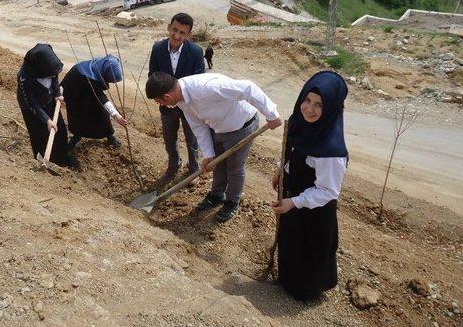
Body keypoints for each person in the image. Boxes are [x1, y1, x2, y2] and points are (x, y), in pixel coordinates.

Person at [145, 72, 282, 223]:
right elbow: (198, 125)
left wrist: (271, 114)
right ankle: (216, 196)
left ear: (167, 96)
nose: (161, 105)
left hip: (240, 126)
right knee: (218, 164)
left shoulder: (207, 88)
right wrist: (208, 153)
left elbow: (248, 88)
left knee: (235, 167)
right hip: (217, 127)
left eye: (159, 102)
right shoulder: (181, 99)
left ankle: (232, 202)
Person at [270, 70, 348, 301]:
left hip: (314, 212)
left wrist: (293, 202)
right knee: (290, 244)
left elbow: (328, 191)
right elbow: (290, 150)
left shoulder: (331, 151)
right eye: (307, 100)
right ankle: (287, 282)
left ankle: (305, 293)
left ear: (332, 108)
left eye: (319, 105)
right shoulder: (298, 123)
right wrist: (280, 170)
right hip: (292, 201)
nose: (310, 110)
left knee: (308, 254)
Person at [148, 13, 204, 189]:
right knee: (169, 138)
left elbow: (199, 81)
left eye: (182, 32)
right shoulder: (157, 49)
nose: (177, 36)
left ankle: (194, 169)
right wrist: (162, 97)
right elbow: (153, 75)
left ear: (189, 34)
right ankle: (174, 165)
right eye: (174, 30)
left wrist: (181, 99)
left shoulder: (195, 52)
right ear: (168, 27)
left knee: (191, 138)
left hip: (189, 107)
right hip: (167, 106)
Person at [17, 44, 79, 170]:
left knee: (60, 130)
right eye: (48, 74)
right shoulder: (24, 77)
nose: (52, 75)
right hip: (33, 109)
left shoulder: (49, 65)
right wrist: (47, 120)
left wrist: (57, 94)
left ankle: (63, 158)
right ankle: (46, 161)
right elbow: (31, 103)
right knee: (40, 135)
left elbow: (55, 77)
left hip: (49, 100)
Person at [61, 55, 126, 149]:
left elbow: (98, 93)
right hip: (74, 95)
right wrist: (116, 115)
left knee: (101, 113)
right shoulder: (87, 77)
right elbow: (102, 97)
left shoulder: (97, 66)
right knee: (80, 116)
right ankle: (74, 140)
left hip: (87, 90)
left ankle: (110, 137)